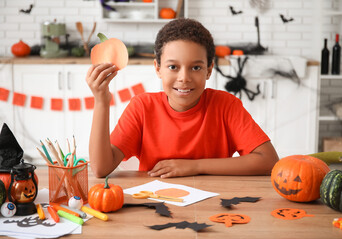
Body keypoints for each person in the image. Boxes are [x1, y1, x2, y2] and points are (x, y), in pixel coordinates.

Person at [86, 18, 279, 179]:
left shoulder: (226, 105)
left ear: (209, 70)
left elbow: (269, 161)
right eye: (173, 67)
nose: (184, 78)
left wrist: (195, 167)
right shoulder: (142, 107)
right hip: (155, 203)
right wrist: (101, 101)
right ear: (157, 68)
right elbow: (101, 168)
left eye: (196, 67)